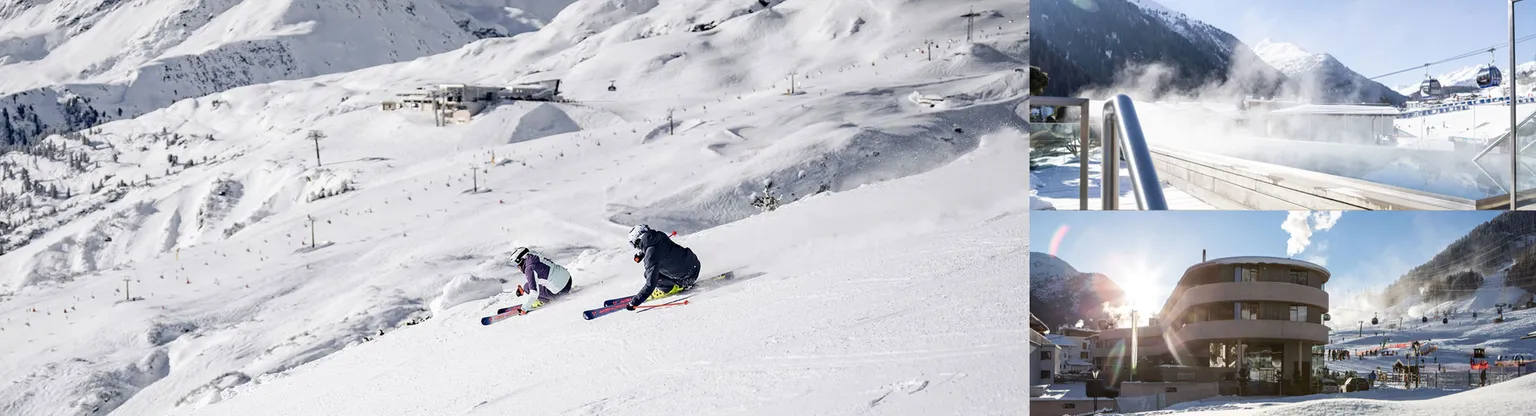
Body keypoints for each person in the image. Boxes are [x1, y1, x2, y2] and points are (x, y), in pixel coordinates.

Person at [625, 224, 701, 310]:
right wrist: (641, 254)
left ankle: (670, 288)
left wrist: (634, 303)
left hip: (687, 278)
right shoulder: (659, 235)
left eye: (635, 244)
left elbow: (650, 284)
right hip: (695, 265)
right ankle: (678, 281)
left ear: (639, 240)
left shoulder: (651, 257)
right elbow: (653, 246)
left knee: (648, 274)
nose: (637, 248)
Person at [512, 247, 573, 311]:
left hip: (561, 291)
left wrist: (524, 309)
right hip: (568, 280)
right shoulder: (534, 256)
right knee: (529, 285)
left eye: (515, 263)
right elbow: (539, 274)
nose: (517, 266)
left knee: (527, 287)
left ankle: (544, 300)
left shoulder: (529, 268)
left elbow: (534, 293)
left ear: (520, 260)